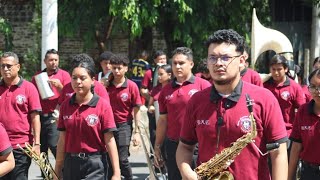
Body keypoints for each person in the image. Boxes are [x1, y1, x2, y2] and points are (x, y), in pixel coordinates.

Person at [176, 29, 288, 180]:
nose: (218, 63)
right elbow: (185, 146)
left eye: (225, 57)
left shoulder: (265, 98)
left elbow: (279, 153)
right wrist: (187, 173)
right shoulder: (196, 101)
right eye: (213, 58)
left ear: (241, 61)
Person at [54, 53, 120, 180]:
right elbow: (62, 139)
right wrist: (57, 169)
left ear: (92, 80)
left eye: (82, 78)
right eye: (74, 78)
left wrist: (116, 173)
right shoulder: (65, 106)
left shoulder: (102, 106)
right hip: (71, 164)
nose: (78, 82)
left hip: (94, 164)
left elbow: (110, 140)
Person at [154, 47, 211, 180]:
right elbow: (163, 120)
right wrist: (157, 146)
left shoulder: (204, 86)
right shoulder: (166, 90)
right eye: (174, 63)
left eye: (181, 63)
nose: (177, 67)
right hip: (173, 144)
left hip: (198, 145)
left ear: (191, 64)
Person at [0, 52, 41, 180]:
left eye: (9, 65)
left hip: (21, 147)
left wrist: (37, 143)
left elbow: (35, 117)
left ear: (18, 67)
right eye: (2, 66)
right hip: (1, 146)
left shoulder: (29, 88)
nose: (5, 69)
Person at [31, 49, 71, 162]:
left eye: (56, 60)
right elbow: (33, 95)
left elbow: (71, 96)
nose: (53, 62)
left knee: (54, 144)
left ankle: (62, 172)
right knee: (42, 148)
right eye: (51, 60)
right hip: (40, 116)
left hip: (55, 115)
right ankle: (46, 175)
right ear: (45, 61)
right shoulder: (38, 76)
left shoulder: (64, 75)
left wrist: (60, 87)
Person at [107, 54, 142, 180]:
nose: (116, 71)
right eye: (114, 68)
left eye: (119, 68)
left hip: (124, 126)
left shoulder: (131, 86)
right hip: (107, 127)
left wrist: (137, 132)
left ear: (126, 68)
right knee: (108, 158)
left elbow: (137, 110)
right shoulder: (106, 85)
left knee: (122, 158)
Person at [288, 69, 320, 180]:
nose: (317, 91)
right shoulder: (303, 111)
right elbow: (296, 147)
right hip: (308, 173)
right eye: (313, 86)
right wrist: (290, 176)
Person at [263, 55, 306, 137]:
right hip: (267, 131)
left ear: (285, 69)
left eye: (279, 69)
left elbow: (302, 110)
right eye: (273, 69)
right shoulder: (264, 86)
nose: (276, 72)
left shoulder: (294, 87)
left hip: (287, 132)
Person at [147, 64, 172, 148]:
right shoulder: (156, 89)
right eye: (158, 74)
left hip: (170, 123)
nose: (159, 77)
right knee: (155, 141)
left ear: (169, 75)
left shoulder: (173, 88)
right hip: (156, 122)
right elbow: (150, 104)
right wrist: (151, 108)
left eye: (161, 74)